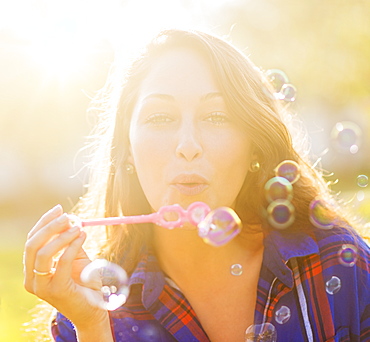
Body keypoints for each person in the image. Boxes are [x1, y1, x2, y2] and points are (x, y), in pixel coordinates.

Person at [24, 29, 370, 342]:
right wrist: (92, 328)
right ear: (127, 150)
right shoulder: (87, 305)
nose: (187, 145)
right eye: (160, 118)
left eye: (215, 116)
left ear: (253, 144)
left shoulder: (339, 266)